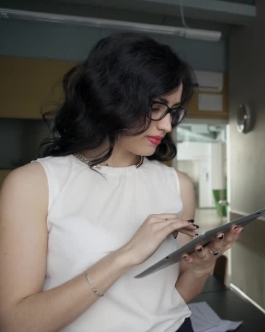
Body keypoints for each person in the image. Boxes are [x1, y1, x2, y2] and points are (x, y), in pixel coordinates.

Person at [0, 33, 242, 332]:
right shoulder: (33, 184)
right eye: (156, 106)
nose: (167, 125)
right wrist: (125, 256)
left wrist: (200, 269)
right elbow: (17, 323)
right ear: (112, 98)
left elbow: (173, 299)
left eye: (173, 110)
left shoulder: (178, 185)